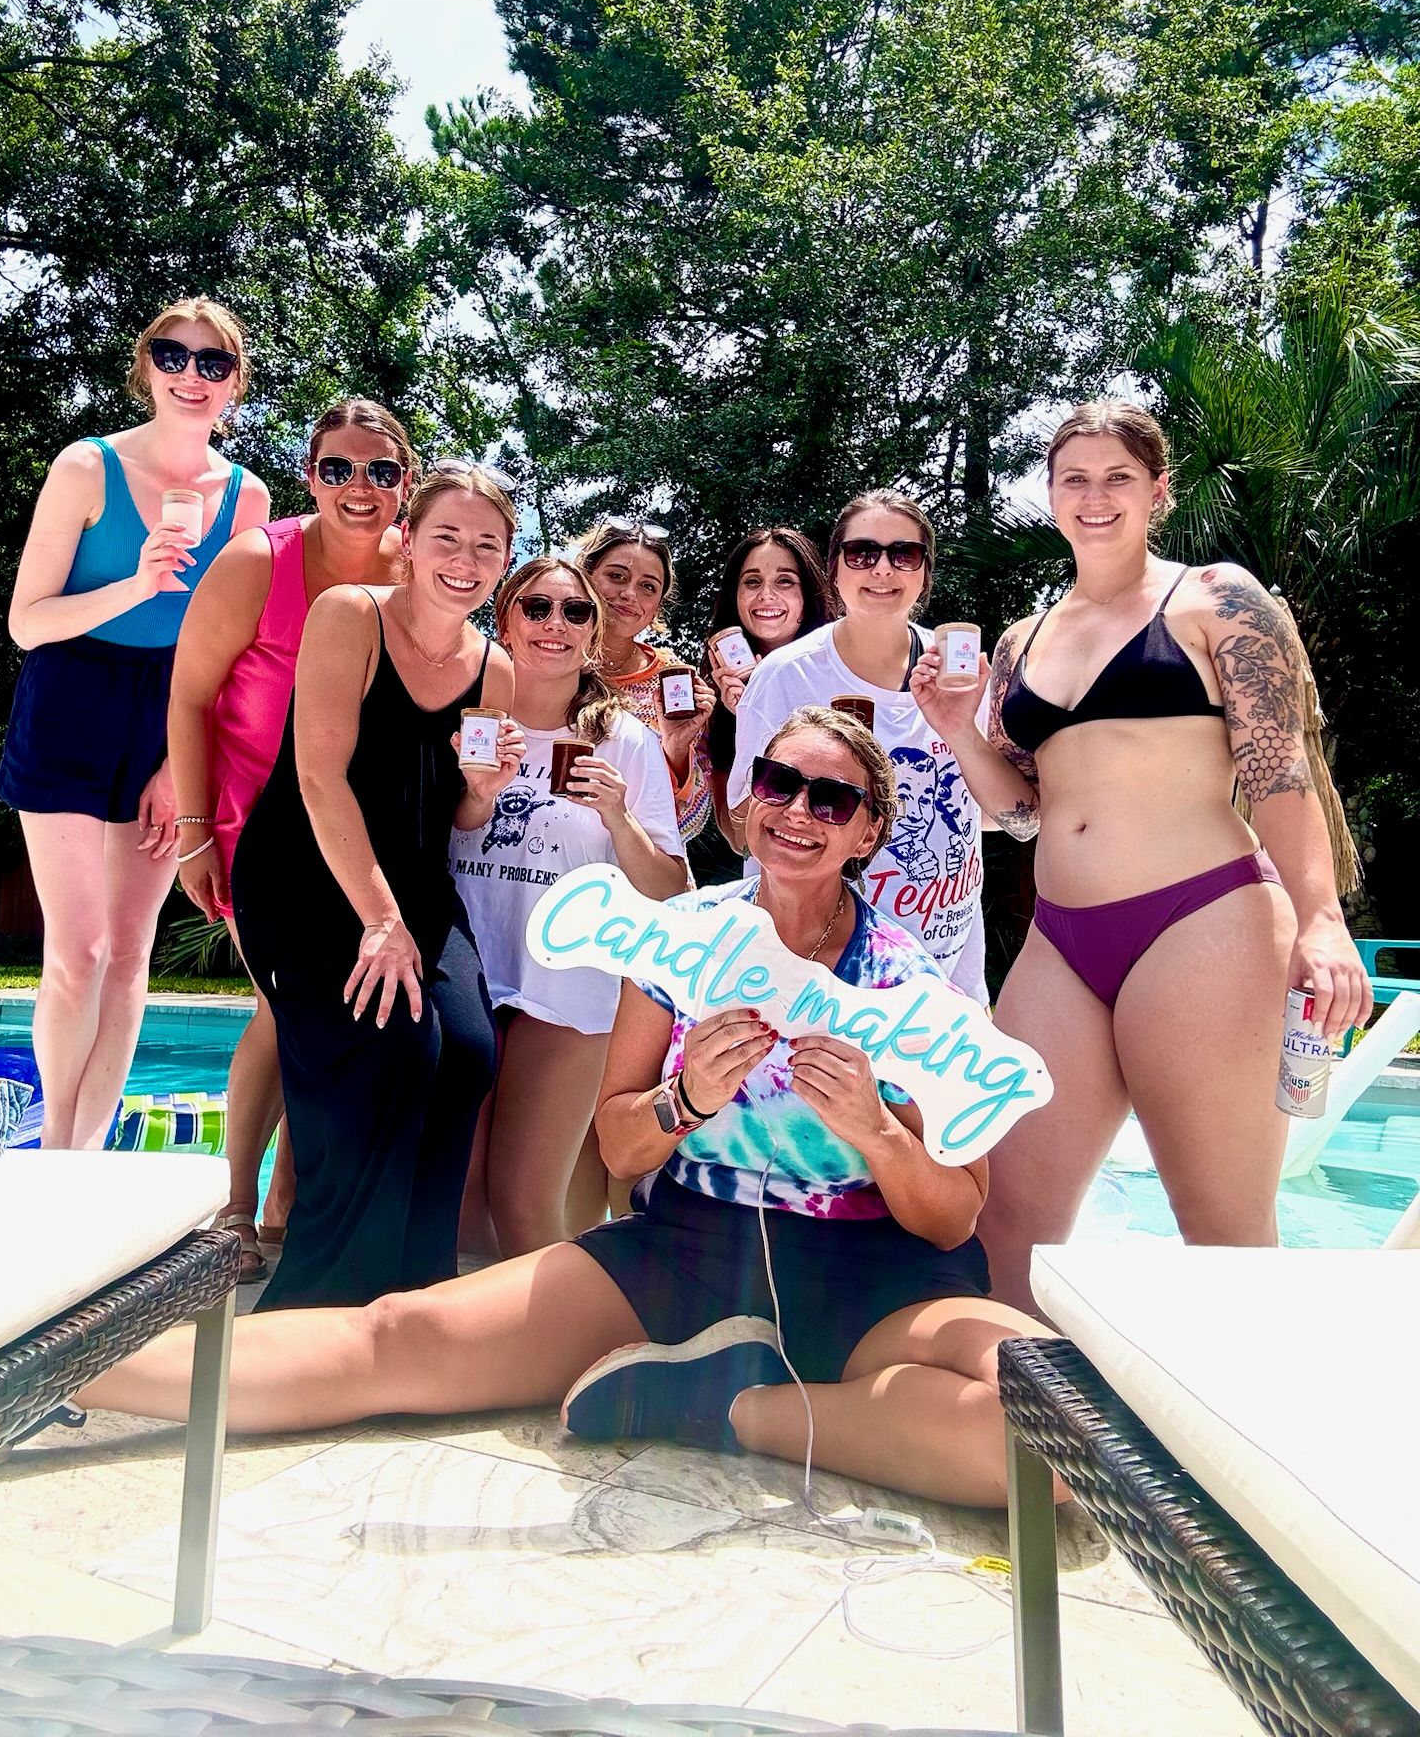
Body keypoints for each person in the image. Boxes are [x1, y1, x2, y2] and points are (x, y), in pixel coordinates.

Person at [78, 709, 1053, 1510]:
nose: (797, 810)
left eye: (830, 797)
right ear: (750, 794)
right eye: (778, 781)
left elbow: (954, 1211)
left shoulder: (914, 990)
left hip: (877, 1280)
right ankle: (59, 1371)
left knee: (1045, 1435)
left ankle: (727, 1405)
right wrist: (688, 1095)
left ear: (867, 829)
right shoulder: (681, 942)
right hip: (690, 1253)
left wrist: (879, 1134)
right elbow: (622, 1147)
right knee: (397, 1336)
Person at [910, 401, 1373, 1313]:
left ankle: (1236, 1451)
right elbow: (1022, 813)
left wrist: (1322, 917)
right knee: (1006, 1221)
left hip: (1201, 919)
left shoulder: (1214, 599)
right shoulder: (1021, 642)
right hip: (1061, 941)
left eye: (1117, 477)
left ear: (1157, 490)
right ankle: (1010, 1442)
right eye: (1073, 478)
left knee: (1222, 1230)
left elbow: (1278, 767)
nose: (1095, 497)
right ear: (1049, 496)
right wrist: (959, 732)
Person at [229, 464, 521, 1310]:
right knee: (389, 1045)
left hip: (414, 887)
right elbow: (319, 780)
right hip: (307, 877)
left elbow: (460, 820)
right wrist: (381, 921)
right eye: (448, 538)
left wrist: (484, 791)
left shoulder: (491, 669)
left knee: (466, 1052)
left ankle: (412, 1295)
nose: (465, 559)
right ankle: (322, 1300)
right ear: (411, 541)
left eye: (487, 545)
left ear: (504, 559)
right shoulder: (349, 614)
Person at [0, 298, 270, 1149]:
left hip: (171, 712)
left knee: (127, 956)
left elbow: (230, 658)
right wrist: (136, 586)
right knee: (77, 953)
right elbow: (27, 622)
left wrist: (174, 769)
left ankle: (81, 1158)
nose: (192, 374)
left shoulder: (247, 499)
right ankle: (51, 1152)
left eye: (213, 363)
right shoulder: (86, 468)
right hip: (70, 696)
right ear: (146, 367)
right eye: (173, 355)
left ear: (235, 385)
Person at [167, 398, 414, 1281]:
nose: (359, 487)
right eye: (337, 469)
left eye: (381, 472)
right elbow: (191, 695)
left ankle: (287, 1205)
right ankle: (236, 1208)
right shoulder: (253, 561)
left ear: (405, 485)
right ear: (310, 475)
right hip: (256, 829)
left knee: (343, 1006)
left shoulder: (415, 572)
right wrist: (196, 834)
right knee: (287, 1003)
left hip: (358, 830)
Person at [452, 556, 687, 1256]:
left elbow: (670, 887)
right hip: (468, 977)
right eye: (537, 608)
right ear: (505, 621)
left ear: (593, 632)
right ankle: (465, 1355)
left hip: (569, 987)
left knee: (523, 1203)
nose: (556, 624)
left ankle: (571, 1350)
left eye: (576, 611)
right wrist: (478, 794)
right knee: (459, 1207)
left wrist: (619, 815)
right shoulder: (466, 720)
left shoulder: (623, 740)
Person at [730, 491, 987, 1000]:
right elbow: (744, 827)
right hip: (814, 965)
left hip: (945, 966)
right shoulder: (786, 676)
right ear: (835, 568)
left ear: (925, 572)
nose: (883, 569)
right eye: (862, 553)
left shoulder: (960, 674)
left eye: (904, 554)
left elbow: (997, 814)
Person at [575, 519, 716, 844]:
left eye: (648, 586)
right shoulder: (544, 656)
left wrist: (676, 749)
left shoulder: (673, 682)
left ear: (658, 605)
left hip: (640, 876)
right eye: (616, 576)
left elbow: (686, 824)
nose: (629, 594)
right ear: (586, 576)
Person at [701, 526, 836, 853]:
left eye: (785, 581)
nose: (766, 595)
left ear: (809, 595)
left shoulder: (844, 674)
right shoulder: (712, 697)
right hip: (771, 881)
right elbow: (739, 839)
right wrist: (749, 723)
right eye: (752, 581)